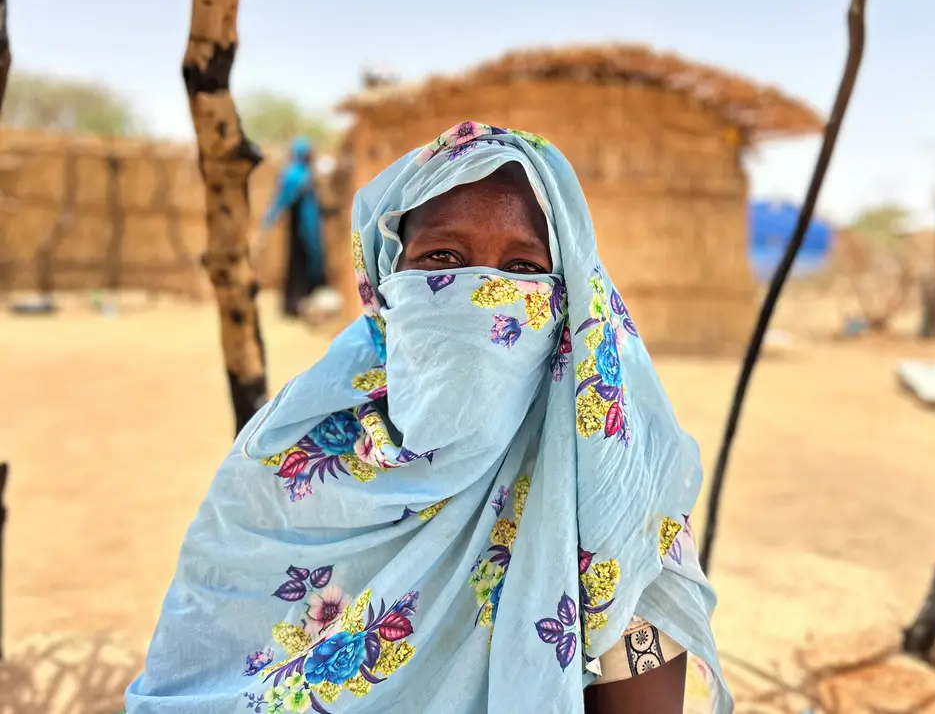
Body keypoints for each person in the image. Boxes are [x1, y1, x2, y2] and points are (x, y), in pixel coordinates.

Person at [126, 122, 731, 714]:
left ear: (569, 295)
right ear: (384, 281)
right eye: (442, 257)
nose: (481, 292)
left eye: (522, 268)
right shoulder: (286, 459)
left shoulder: (616, 493)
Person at [259, 136, 327, 318]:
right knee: (297, 265)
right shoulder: (294, 175)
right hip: (299, 228)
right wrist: (268, 221)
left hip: (308, 227)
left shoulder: (305, 173)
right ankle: (293, 305)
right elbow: (281, 200)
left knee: (303, 264)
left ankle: (301, 304)